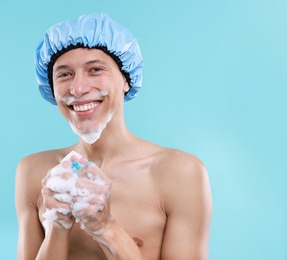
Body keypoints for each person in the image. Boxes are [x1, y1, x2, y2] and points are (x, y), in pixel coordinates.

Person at [15, 12, 212, 260]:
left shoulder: (179, 172)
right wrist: (57, 224)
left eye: (95, 69)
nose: (77, 88)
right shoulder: (33, 171)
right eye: (64, 74)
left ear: (126, 79)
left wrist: (106, 227)